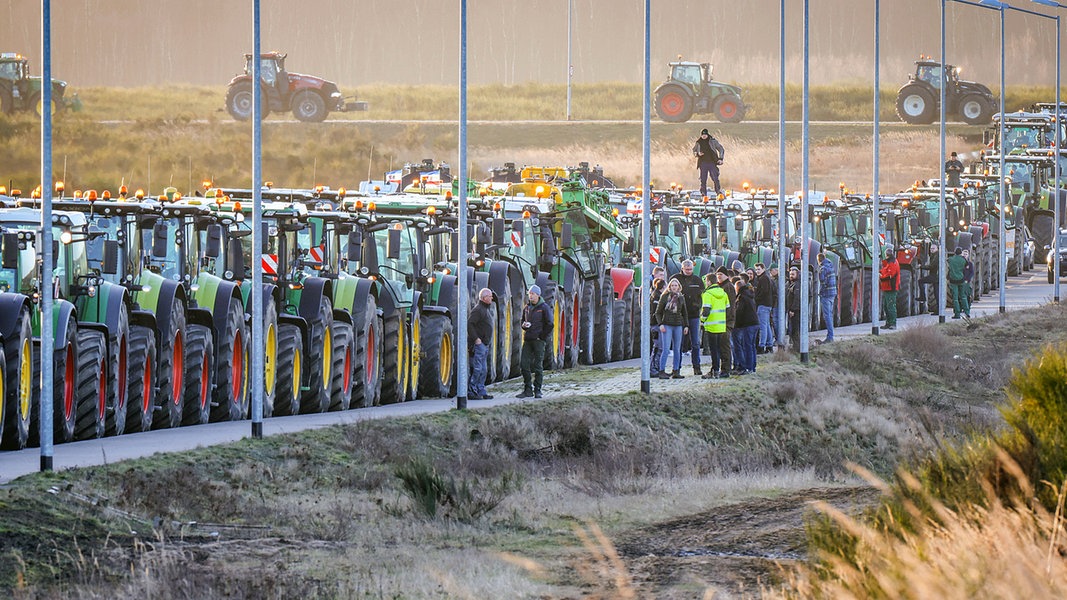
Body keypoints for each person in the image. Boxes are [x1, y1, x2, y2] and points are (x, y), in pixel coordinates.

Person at [670, 260, 705, 376]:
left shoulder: (697, 281)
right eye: (686, 269)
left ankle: (697, 366)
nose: (689, 271)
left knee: (695, 342)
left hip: (694, 315)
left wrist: (698, 307)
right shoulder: (675, 279)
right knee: (678, 343)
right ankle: (676, 368)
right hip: (679, 316)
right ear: (682, 268)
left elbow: (702, 296)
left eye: (690, 270)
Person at [519, 285, 553, 398]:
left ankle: (537, 389)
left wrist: (541, 337)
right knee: (524, 364)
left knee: (538, 366)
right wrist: (523, 326)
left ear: (538, 295)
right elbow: (522, 321)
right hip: (528, 339)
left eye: (533, 294)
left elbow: (550, 324)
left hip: (538, 341)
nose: (531, 296)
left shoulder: (544, 308)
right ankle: (527, 389)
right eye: (529, 294)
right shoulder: (527, 308)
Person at [656, 278, 690, 379]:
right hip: (667, 324)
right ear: (669, 287)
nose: (674, 287)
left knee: (677, 349)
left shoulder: (681, 298)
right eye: (672, 285)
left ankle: (676, 371)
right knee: (666, 349)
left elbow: (684, 313)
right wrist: (660, 324)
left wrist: (686, 325)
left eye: (676, 285)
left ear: (679, 287)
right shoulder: (665, 297)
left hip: (678, 325)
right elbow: (658, 312)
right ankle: (661, 371)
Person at [700, 272, 730, 379]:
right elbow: (727, 307)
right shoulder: (723, 293)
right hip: (721, 326)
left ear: (708, 282)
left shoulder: (707, 294)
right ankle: (717, 370)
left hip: (711, 326)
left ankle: (715, 371)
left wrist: (702, 320)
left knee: (714, 351)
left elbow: (706, 310)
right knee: (719, 349)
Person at [468, 288, 495, 399]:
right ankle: (472, 391)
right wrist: (476, 339)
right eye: (490, 296)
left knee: (483, 370)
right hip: (479, 345)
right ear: (484, 298)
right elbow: (470, 324)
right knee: (477, 369)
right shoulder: (478, 310)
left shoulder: (485, 310)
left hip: (484, 345)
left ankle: (481, 390)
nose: (492, 298)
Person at [733, 277, 759, 374]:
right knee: (751, 346)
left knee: (747, 346)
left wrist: (736, 325)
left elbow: (739, 312)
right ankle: (752, 367)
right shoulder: (749, 295)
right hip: (755, 323)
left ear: (737, 288)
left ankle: (748, 368)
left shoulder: (741, 297)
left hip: (747, 324)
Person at [692, 128, 725, 198]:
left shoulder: (713, 141)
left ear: (707, 134)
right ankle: (703, 193)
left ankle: (718, 191)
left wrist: (721, 158)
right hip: (703, 163)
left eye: (705, 134)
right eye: (702, 135)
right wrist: (698, 154)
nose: (704, 136)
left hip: (712, 162)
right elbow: (694, 151)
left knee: (715, 177)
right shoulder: (698, 142)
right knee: (703, 179)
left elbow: (721, 149)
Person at [715, 267, 736, 377]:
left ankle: (726, 369)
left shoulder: (728, 287)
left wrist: (727, 319)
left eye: (721, 274)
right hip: (720, 321)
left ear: (727, 276)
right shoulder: (720, 286)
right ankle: (722, 368)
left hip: (726, 321)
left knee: (725, 346)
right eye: (717, 274)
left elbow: (730, 305)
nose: (719, 276)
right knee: (721, 346)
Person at [649, 276, 667, 377]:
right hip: (656, 325)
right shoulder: (657, 297)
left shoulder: (656, 296)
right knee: (657, 347)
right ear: (663, 287)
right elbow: (657, 312)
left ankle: (657, 367)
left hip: (657, 324)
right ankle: (653, 368)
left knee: (659, 347)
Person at [753, 263, 774, 353]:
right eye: (756, 270)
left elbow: (764, 291)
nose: (757, 271)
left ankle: (762, 346)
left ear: (763, 269)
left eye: (759, 269)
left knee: (763, 326)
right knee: (767, 325)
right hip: (767, 304)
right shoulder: (765, 278)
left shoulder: (763, 278)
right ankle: (769, 344)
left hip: (763, 304)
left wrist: (756, 298)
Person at [817, 253, 837, 343]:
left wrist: (820, 292)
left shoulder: (823, 269)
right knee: (830, 314)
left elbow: (823, 282)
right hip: (832, 293)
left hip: (826, 294)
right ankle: (831, 335)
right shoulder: (831, 266)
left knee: (827, 316)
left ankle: (830, 336)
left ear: (819, 260)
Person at [880, 247, 900, 330]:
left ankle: (893, 323)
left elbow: (890, 275)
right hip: (887, 287)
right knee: (886, 306)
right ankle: (888, 322)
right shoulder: (889, 263)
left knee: (891, 306)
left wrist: (881, 276)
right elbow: (886, 271)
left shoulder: (892, 263)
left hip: (891, 288)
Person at [947, 246, 969, 319]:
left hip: (953, 281)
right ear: (961, 253)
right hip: (961, 280)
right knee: (963, 296)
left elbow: (947, 262)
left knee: (955, 298)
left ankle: (957, 314)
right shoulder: (963, 260)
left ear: (954, 252)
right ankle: (967, 312)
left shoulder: (951, 259)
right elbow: (966, 266)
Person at [918, 244, 941, 314]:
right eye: (931, 249)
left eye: (933, 249)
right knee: (936, 293)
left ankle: (923, 297)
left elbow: (932, 266)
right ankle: (938, 309)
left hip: (935, 276)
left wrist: (922, 267)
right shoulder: (934, 255)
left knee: (920, 281)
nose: (931, 250)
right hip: (936, 276)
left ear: (937, 249)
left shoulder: (937, 256)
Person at [786, 266, 802, 351]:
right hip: (792, 310)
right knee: (792, 330)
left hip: (795, 311)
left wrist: (792, 310)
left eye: (793, 274)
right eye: (790, 274)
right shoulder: (791, 284)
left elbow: (797, 298)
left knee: (795, 330)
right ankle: (795, 347)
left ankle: (797, 348)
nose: (791, 275)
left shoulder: (797, 285)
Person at [961, 248, 974, 318]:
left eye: (966, 254)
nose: (965, 255)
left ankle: (968, 307)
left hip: (967, 281)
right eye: (963, 254)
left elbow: (972, 272)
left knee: (967, 295)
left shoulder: (970, 264)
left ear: (968, 255)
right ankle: (962, 307)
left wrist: (968, 279)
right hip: (961, 281)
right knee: (961, 295)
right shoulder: (961, 263)